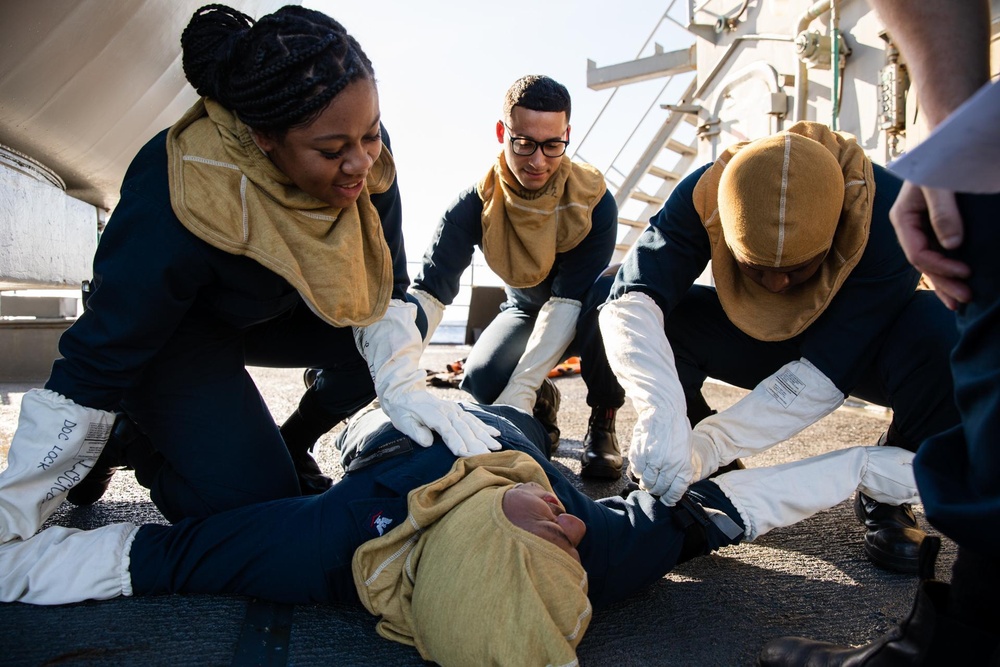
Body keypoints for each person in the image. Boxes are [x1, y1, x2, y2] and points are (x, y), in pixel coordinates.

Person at [0, 4, 499, 525]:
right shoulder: (181, 186)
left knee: (401, 329)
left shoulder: (361, 149)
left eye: (370, 135)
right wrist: (16, 505)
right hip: (171, 332)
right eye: (331, 151)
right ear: (264, 136)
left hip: (271, 312)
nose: (360, 164)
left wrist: (402, 384)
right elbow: (99, 354)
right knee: (255, 511)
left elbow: (385, 289)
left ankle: (294, 442)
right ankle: (130, 436)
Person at [0, 397, 919, 666]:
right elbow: (745, 506)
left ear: (475, 549)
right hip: (497, 421)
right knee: (504, 390)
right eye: (572, 534)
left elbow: (147, 557)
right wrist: (884, 469)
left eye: (546, 532)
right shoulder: (605, 552)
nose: (567, 515)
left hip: (390, 432)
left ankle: (133, 428)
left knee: (219, 499)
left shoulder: (329, 546)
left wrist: (13, 563)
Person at [596, 119, 961, 574]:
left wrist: (711, 445)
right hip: (761, 341)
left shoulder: (889, 213)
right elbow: (633, 301)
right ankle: (687, 447)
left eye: (796, 269)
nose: (776, 284)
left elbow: (822, 375)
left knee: (944, 330)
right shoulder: (707, 191)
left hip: (855, 350)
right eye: (756, 267)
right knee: (608, 290)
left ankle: (886, 491)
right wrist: (660, 410)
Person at [758, 0, 1000, 663]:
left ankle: (969, 635)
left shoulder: (879, 217)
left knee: (955, 331)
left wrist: (960, 132)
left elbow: (825, 371)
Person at [404, 74, 626, 480]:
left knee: (612, 300)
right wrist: (394, 372)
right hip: (524, 311)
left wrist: (519, 387)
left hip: (581, 315)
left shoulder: (595, 202)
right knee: (479, 387)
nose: (537, 160)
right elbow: (430, 291)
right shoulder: (475, 202)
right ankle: (543, 404)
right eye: (523, 142)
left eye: (552, 145)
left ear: (567, 134)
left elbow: (568, 300)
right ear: (501, 132)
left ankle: (603, 423)